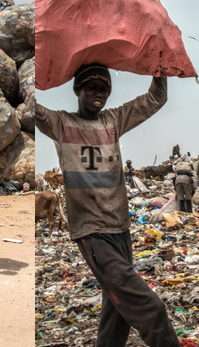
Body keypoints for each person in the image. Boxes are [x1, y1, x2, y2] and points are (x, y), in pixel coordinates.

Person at [36, 64, 177, 346]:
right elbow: (32, 109)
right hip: (92, 232)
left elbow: (154, 99)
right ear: (78, 90)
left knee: (117, 311)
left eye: (104, 89)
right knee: (151, 307)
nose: (98, 94)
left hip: (121, 228)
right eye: (92, 88)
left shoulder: (113, 120)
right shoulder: (61, 124)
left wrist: (159, 67)